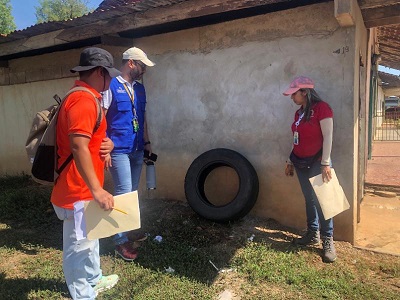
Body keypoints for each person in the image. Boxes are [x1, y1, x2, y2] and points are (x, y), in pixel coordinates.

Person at [51, 47, 122, 299]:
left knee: (91, 237)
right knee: (78, 247)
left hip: (84, 188)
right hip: (77, 190)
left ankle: (94, 279)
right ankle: (82, 294)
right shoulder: (82, 99)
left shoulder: (89, 97)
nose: (111, 81)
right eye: (109, 75)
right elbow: (78, 145)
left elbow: (90, 139)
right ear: (100, 72)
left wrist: (107, 143)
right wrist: (97, 189)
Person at [101, 47, 155, 261]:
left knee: (131, 193)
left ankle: (129, 228)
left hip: (136, 148)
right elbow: (101, 118)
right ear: (131, 63)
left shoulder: (140, 89)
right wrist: (104, 146)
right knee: (123, 192)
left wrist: (147, 141)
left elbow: (142, 117)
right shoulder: (111, 86)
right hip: (119, 150)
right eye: (142, 66)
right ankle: (119, 240)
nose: (144, 70)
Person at [283, 76, 337, 263]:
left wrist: (325, 162)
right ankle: (312, 234)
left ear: (304, 92)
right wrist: (289, 159)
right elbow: (296, 139)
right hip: (299, 161)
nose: (292, 98)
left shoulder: (322, 108)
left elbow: (328, 136)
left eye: (294, 94)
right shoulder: (299, 113)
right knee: (309, 198)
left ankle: (327, 239)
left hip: (318, 160)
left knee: (324, 199)